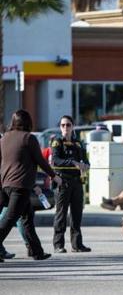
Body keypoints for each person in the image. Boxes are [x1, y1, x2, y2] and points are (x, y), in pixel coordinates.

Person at [0, 110, 62, 262]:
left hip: (5, 184)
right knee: (10, 218)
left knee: (27, 218)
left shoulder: (4, 138)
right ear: (28, 122)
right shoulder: (29, 138)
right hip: (19, 186)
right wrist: (54, 176)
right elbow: (40, 161)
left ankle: (37, 252)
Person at [52, 115, 91, 253]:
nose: (66, 128)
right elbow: (56, 160)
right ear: (60, 127)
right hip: (63, 182)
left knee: (76, 215)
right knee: (61, 214)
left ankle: (77, 244)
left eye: (68, 125)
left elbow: (86, 161)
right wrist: (73, 163)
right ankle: (58, 244)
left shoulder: (78, 143)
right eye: (63, 125)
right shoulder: (57, 142)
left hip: (77, 182)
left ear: (73, 126)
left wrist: (85, 165)